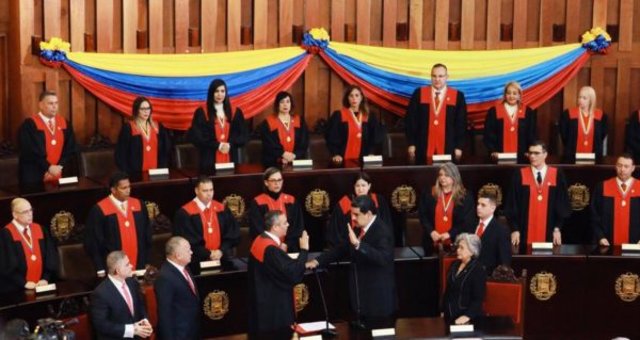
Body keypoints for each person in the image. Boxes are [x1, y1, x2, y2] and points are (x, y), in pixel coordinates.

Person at [307, 195, 396, 328]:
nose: (353, 218)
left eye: (356, 214)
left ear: (369, 214)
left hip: (378, 303)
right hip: (361, 300)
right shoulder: (358, 228)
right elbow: (341, 249)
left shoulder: (383, 231)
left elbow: (383, 259)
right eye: (352, 214)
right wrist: (317, 261)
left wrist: (359, 245)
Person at [248, 210, 309, 335]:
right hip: (274, 313)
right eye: (285, 223)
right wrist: (304, 250)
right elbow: (293, 274)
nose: (288, 225)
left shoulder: (260, 239)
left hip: (262, 308)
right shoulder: (270, 249)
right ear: (275, 227)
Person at [504, 141, 571, 253]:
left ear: (545, 154)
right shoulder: (519, 174)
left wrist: (557, 228)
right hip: (524, 232)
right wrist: (514, 229)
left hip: (550, 232)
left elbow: (562, 204)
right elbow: (512, 204)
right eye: (530, 153)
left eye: (536, 153)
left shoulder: (557, 174)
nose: (532, 156)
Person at [84, 172, 152, 276]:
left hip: (139, 264)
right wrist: (100, 268)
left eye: (129, 187)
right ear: (113, 190)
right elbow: (94, 242)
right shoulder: (99, 210)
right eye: (123, 188)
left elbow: (147, 235)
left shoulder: (139, 205)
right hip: (113, 268)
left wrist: (147, 260)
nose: (128, 190)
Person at [173, 176, 239, 271]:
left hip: (222, 259)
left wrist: (221, 251)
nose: (209, 194)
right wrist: (208, 254)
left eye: (211, 190)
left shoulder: (221, 209)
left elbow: (233, 234)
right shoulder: (185, 213)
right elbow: (186, 240)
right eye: (205, 191)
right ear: (196, 191)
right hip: (195, 262)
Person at [405, 63, 467, 164]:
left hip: (449, 146)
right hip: (422, 146)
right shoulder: (419, 94)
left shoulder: (457, 96)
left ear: (447, 77)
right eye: (434, 76)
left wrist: (459, 146)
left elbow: (461, 124)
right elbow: (411, 121)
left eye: (440, 76)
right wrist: (411, 143)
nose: (437, 79)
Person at [188, 79, 249, 174]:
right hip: (209, 160)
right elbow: (197, 137)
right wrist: (218, 145)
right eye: (216, 91)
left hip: (231, 157)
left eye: (222, 91)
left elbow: (243, 135)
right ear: (211, 92)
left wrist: (230, 144)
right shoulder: (202, 112)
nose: (220, 94)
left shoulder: (235, 112)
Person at [18, 90, 77, 187]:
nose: (54, 107)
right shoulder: (30, 124)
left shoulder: (64, 123)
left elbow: (70, 147)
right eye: (50, 103)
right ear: (41, 105)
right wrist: (48, 168)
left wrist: (59, 167)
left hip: (60, 171)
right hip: (35, 173)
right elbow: (29, 151)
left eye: (56, 103)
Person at [0, 198, 59, 293]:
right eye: (25, 212)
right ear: (15, 215)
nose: (30, 214)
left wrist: (45, 278)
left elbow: (51, 256)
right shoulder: (6, 234)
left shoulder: (40, 229)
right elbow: (6, 265)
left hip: (42, 284)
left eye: (31, 210)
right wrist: (23, 283)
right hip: (16, 289)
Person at [90, 251, 153, 339]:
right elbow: (101, 324)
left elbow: (140, 306)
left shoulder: (132, 283)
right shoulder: (100, 293)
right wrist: (132, 330)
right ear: (117, 270)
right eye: (127, 265)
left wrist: (145, 321)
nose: (131, 266)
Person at [418, 162, 475, 254]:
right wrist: (431, 231)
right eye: (440, 175)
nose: (442, 178)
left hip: (456, 245)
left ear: (454, 177)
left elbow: (467, 221)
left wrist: (450, 234)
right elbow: (422, 215)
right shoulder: (429, 193)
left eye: (446, 175)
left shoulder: (465, 196)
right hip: (431, 243)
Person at [326, 172, 393, 248]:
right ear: (354, 187)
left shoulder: (379, 201)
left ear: (369, 186)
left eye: (363, 185)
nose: (360, 189)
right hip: (350, 248)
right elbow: (335, 233)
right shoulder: (343, 204)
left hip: (376, 247)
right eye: (357, 186)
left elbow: (387, 227)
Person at [248, 167, 304, 252]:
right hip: (266, 249)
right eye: (273, 180)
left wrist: (286, 244)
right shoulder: (257, 202)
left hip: (289, 248)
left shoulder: (291, 201)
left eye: (279, 180)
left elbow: (297, 228)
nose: (277, 184)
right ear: (266, 182)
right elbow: (257, 230)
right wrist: (273, 245)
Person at [154, 236, 200, 340]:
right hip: (178, 334)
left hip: (191, 331)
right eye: (188, 250)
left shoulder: (185, 268)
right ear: (178, 255)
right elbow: (165, 314)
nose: (191, 252)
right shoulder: (165, 277)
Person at [325, 85, 384, 164]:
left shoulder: (369, 116)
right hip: (343, 160)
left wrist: (371, 153)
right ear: (347, 98)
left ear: (361, 98)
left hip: (365, 159)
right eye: (351, 96)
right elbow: (331, 137)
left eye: (357, 95)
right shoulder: (339, 115)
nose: (354, 99)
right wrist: (336, 154)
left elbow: (376, 137)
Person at [590, 154, 640, 245]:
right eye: (619, 165)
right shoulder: (603, 187)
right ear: (615, 166)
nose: (622, 169)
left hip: (636, 245)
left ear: (633, 168)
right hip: (607, 243)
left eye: (626, 166)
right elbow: (594, 215)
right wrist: (600, 237)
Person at [115, 96, 171, 174]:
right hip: (135, 174)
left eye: (148, 108)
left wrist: (162, 169)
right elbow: (121, 154)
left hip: (156, 173)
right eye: (142, 109)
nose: (146, 111)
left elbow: (165, 151)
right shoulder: (129, 128)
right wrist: (128, 173)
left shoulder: (158, 127)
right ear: (136, 110)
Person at [483, 81, 537, 163]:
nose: (511, 96)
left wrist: (529, 150)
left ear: (519, 95)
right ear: (505, 95)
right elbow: (489, 133)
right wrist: (493, 150)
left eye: (515, 93)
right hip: (499, 155)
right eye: (508, 93)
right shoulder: (494, 111)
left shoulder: (527, 112)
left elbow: (531, 133)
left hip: (522, 156)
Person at [442, 233, 486, 325]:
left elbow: (478, 299)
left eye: (462, 248)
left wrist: (467, 316)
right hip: (449, 315)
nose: (458, 250)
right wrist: (442, 310)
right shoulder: (454, 264)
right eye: (458, 247)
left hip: (467, 318)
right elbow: (448, 290)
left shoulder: (478, 269)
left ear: (472, 251)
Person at [259, 91, 309, 167]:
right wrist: (282, 154)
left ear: (291, 104)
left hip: (296, 160)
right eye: (282, 102)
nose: (285, 105)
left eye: (288, 102)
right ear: (277, 105)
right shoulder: (268, 122)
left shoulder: (299, 121)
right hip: (274, 163)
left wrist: (294, 156)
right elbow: (269, 145)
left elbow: (304, 142)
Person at [559, 86, 608, 163]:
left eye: (584, 98)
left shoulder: (601, 116)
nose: (580, 100)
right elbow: (564, 134)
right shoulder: (568, 114)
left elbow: (602, 134)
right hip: (571, 155)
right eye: (579, 97)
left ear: (591, 100)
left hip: (594, 156)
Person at [472, 192, 511, 274]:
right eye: (478, 204)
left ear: (493, 208)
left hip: (488, 277)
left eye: (483, 205)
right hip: (469, 275)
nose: (478, 207)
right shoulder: (470, 225)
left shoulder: (501, 231)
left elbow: (504, 262)